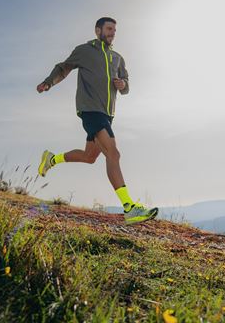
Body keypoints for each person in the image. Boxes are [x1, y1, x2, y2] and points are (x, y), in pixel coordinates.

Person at [36, 17, 158, 224]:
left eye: (115, 30)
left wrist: (123, 84)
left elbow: (126, 85)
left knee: (89, 156)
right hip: (90, 109)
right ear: (97, 30)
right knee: (113, 152)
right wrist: (48, 83)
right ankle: (129, 208)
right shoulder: (85, 50)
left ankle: (51, 159)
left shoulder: (118, 58)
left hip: (107, 113)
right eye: (109, 29)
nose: (112, 33)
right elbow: (63, 68)